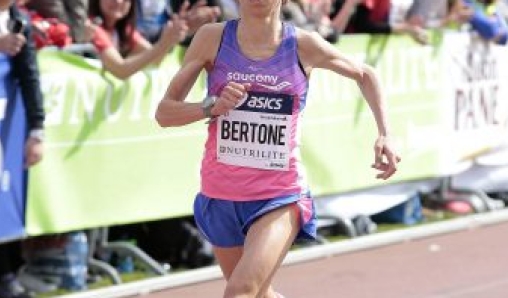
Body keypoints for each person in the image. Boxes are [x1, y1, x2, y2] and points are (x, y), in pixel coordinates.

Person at [154, 0, 400, 296]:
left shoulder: (302, 45)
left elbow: (365, 74)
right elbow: (164, 113)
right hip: (220, 195)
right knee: (259, 294)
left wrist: (385, 133)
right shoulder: (212, 38)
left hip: (278, 195)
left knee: (240, 292)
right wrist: (211, 106)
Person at [0, 0, 45, 297]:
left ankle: (4, 274)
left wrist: (37, 131)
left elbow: (30, 77)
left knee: (2, 202)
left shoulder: (19, 18)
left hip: (1, 129)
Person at [84, 0, 188, 80]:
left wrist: (170, 40)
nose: (118, 1)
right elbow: (121, 70)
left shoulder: (125, 30)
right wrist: (163, 43)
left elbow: (154, 61)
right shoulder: (92, 27)